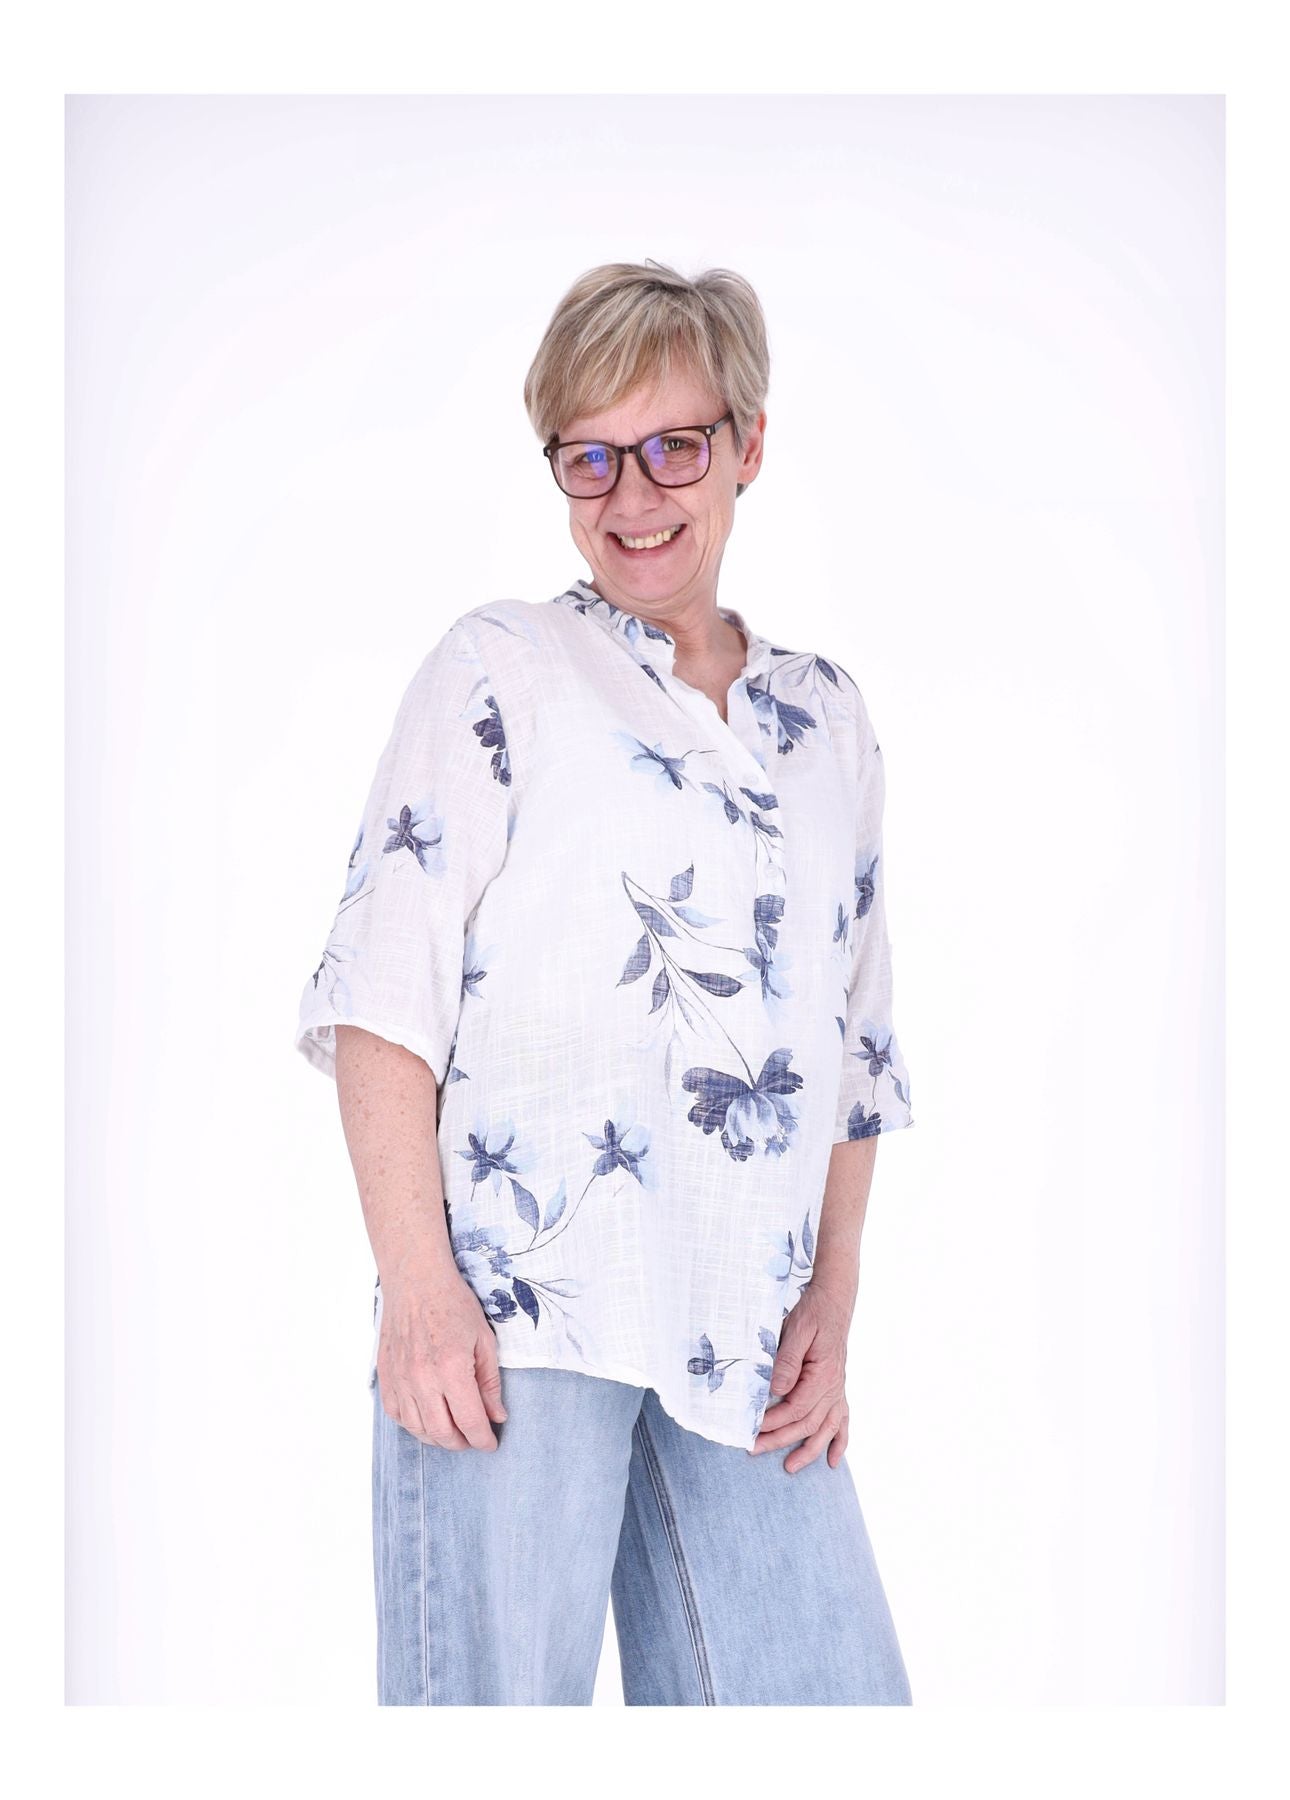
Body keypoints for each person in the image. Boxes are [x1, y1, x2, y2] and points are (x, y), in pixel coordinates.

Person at [295, 259, 917, 1705]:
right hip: (518, 1316)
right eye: (588, 457)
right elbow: (385, 998)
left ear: (746, 446)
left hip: (749, 1337)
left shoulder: (826, 719)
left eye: (672, 448)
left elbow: (856, 1048)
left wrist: (834, 1302)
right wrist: (419, 1291)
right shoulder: (502, 667)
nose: (631, 496)